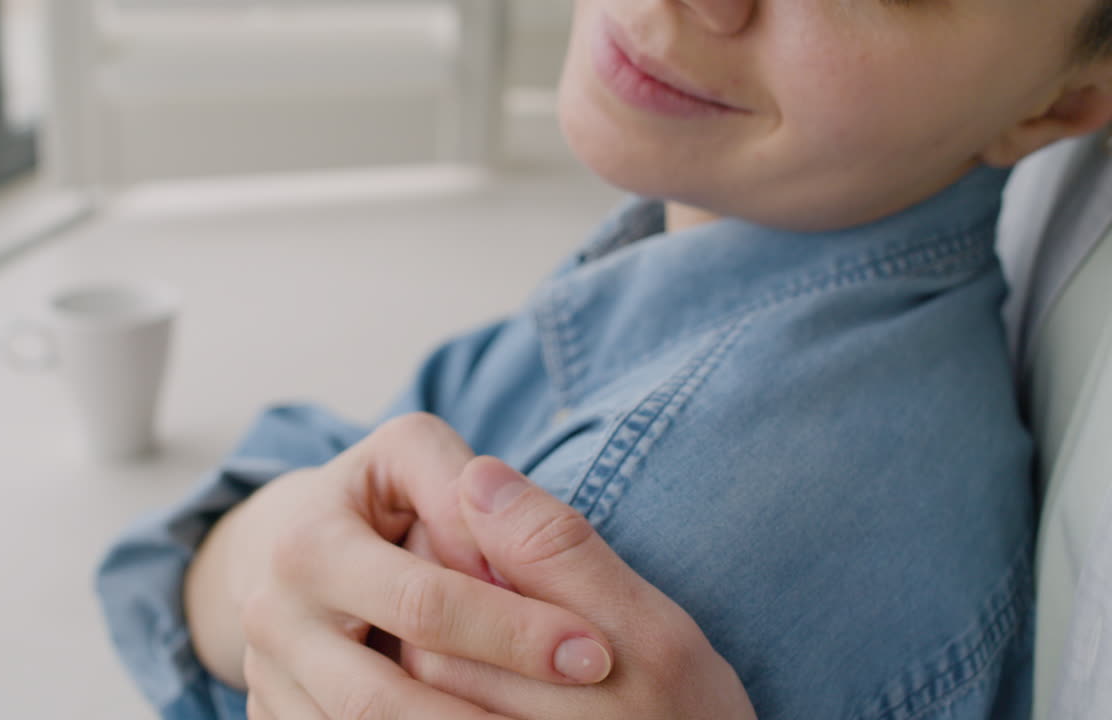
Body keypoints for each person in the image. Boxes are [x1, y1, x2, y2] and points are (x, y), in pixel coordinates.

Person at [96, 1, 1112, 718]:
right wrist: (286, 548)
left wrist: (277, 557)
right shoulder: (711, 256)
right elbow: (203, 541)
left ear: (1054, 109)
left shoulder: (628, 544)